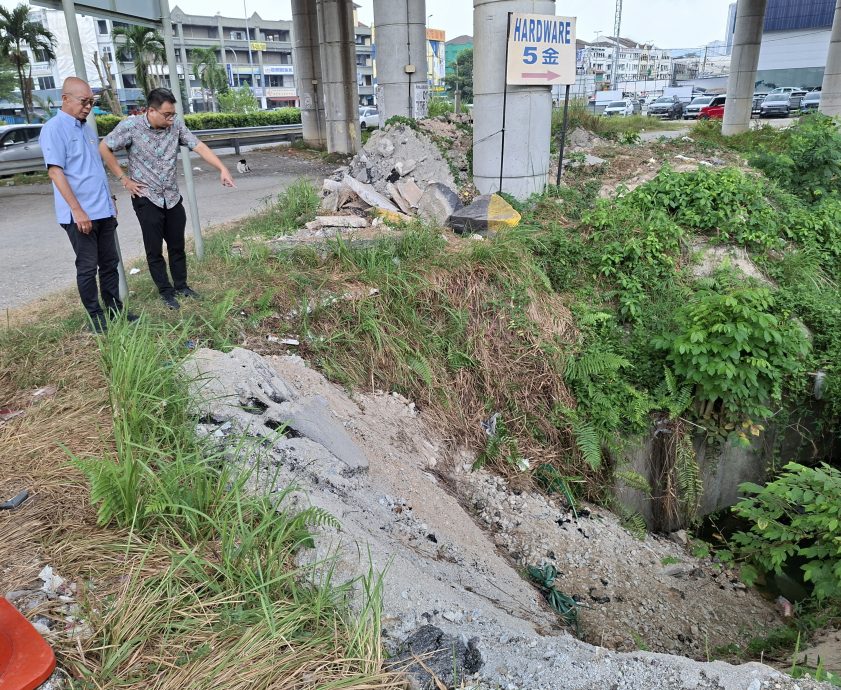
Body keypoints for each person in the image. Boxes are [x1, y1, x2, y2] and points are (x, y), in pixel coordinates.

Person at [99, 88, 235, 310]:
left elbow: (198, 145)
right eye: (166, 115)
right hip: (146, 197)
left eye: (173, 114)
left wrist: (222, 168)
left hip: (171, 196)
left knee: (177, 245)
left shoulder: (176, 126)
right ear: (150, 111)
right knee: (154, 250)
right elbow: (104, 147)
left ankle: (181, 286)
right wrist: (124, 179)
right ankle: (165, 291)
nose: (171, 119)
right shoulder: (131, 126)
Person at [39, 77, 132, 333]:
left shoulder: (87, 130)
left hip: (103, 211)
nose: (88, 107)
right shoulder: (54, 129)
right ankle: (96, 316)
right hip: (80, 215)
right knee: (88, 267)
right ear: (65, 99)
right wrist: (77, 210)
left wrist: (110, 199)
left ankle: (115, 310)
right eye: (84, 101)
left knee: (110, 263)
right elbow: (56, 173)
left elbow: (95, 170)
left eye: (91, 102)